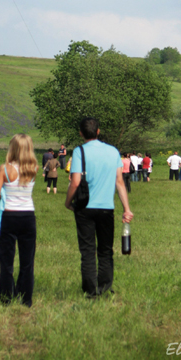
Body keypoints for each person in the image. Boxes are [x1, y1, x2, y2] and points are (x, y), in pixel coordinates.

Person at [65, 117, 133, 299]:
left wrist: (68, 202)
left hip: (85, 207)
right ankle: (105, 287)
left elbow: (75, 181)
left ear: (81, 133)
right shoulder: (113, 151)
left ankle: (90, 290)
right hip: (106, 208)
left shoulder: (79, 151)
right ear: (98, 131)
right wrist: (126, 208)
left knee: (87, 251)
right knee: (105, 249)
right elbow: (120, 182)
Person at [0, 134, 38, 307]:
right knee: (27, 261)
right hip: (28, 216)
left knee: (6, 260)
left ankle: (7, 297)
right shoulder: (34, 168)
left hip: (9, 216)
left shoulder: (4, 168)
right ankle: (26, 298)